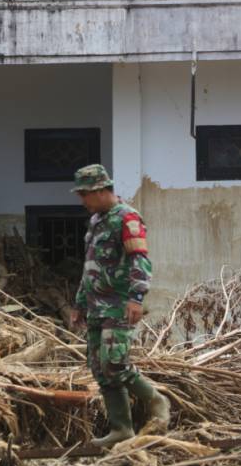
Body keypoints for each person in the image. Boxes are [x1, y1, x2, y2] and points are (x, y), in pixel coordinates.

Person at [69, 164, 170, 448]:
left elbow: (141, 260)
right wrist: (78, 304)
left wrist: (137, 298)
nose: (82, 201)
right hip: (95, 307)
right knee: (99, 368)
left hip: (118, 306)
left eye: (85, 195)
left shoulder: (127, 218)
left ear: (101, 191)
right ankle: (121, 429)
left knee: (115, 363)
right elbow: (90, 267)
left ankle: (157, 400)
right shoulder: (95, 222)